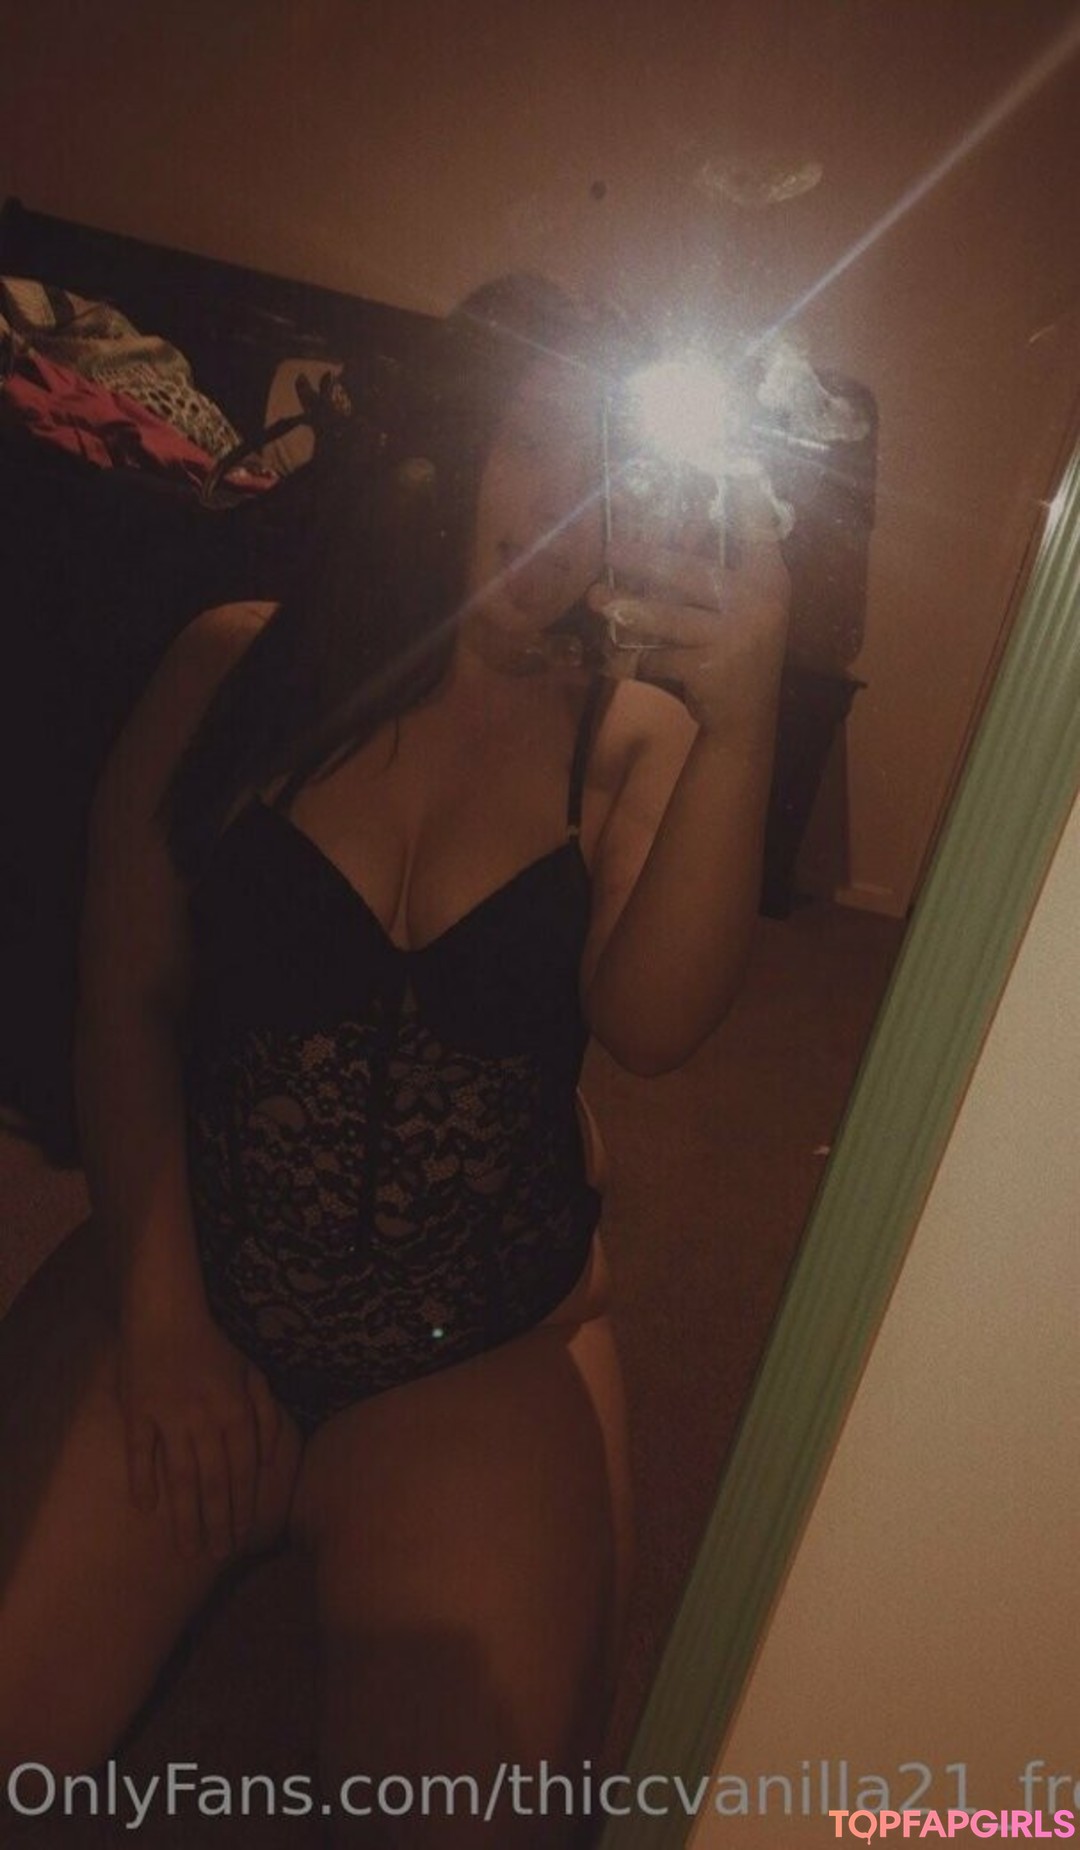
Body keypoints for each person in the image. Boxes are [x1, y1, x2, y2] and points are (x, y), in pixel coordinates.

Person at [0, 275, 790, 1846]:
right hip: (194, 1275)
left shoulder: (633, 735)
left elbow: (654, 1025)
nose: (573, 511)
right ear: (451, 436)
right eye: (540, 442)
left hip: (475, 1346)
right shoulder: (231, 667)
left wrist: (749, 709)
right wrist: (163, 1322)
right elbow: (125, 1001)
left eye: (617, 473)